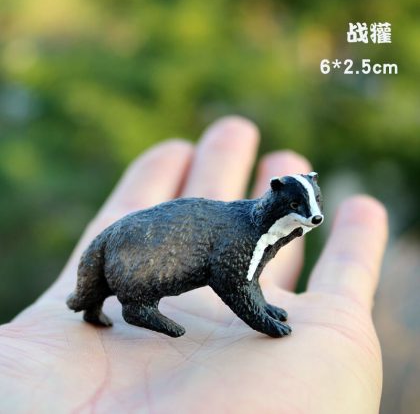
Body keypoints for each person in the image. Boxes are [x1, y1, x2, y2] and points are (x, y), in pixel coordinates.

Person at [0, 116, 387, 413]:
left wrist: (264, 306)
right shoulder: (246, 232)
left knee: (228, 273)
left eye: (313, 204)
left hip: (133, 245)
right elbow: (234, 284)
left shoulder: (259, 232)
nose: (312, 214)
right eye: (300, 206)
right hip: (143, 252)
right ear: (277, 198)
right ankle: (135, 308)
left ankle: (91, 304)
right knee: (159, 272)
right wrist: (262, 323)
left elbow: (248, 277)